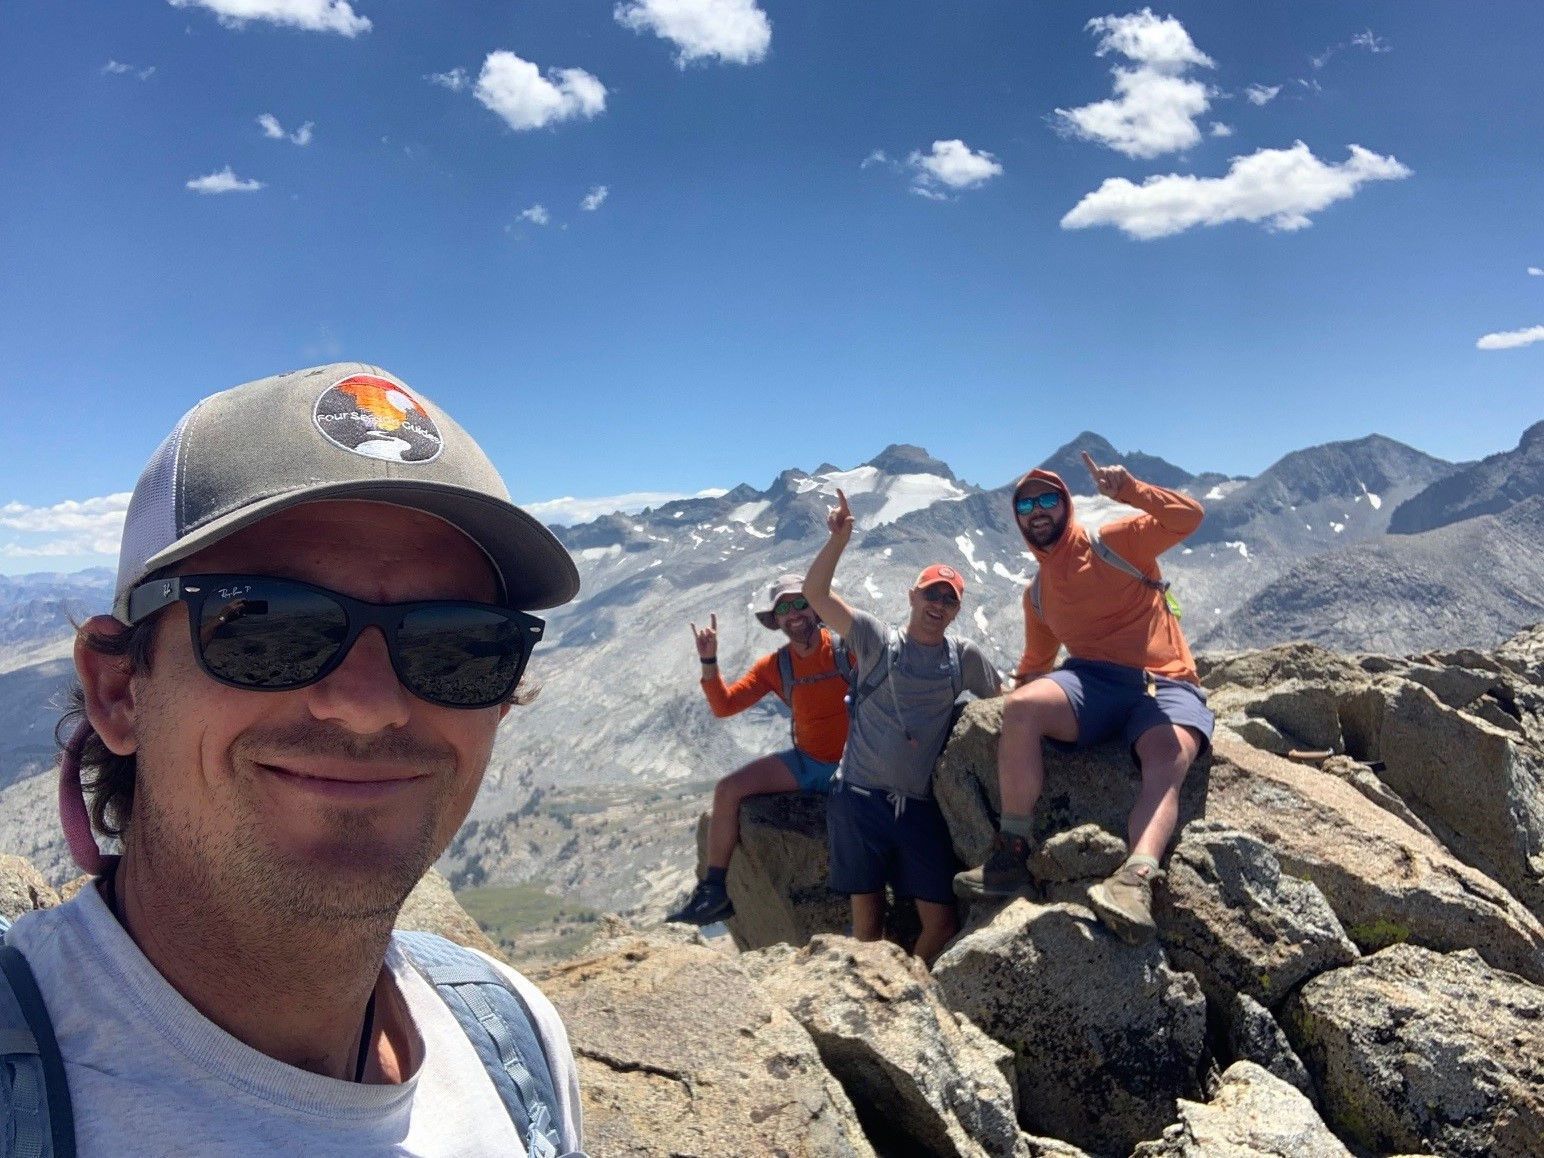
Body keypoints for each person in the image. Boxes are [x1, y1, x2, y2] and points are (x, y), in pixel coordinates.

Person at [0, 364, 585, 1156]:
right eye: (266, 626)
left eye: (458, 643)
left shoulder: (516, 1044)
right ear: (118, 692)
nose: (369, 703)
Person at [954, 451, 1215, 946]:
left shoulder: (1113, 543)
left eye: (1048, 499)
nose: (1038, 511)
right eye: (1026, 505)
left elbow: (1189, 517)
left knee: (1167, 753)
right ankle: (1011, 851)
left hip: (1163, 679)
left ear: (1066, 506)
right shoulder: (1038, 594)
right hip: (1093, 683)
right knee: (1024, 709)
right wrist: (1014, 694)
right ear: (1018, 520)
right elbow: (1036, 661)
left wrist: (1131, 489)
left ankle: (1136, 878)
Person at [803, 490, 1001, 966]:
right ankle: (879, 1015)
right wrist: (838, 540)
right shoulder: (875, 639)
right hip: (858, 800)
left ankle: (913, 993)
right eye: (931, 593)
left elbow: (1005, 702)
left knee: (942, 923)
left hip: (917, 808)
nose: (938, 605)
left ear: (956, 610)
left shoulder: (963, 658)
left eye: (948, 600)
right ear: (913, 596)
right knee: (867, 924)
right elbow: (815, 595)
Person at [668, 575, 853, 925]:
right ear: (776, 620)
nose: (793, 613)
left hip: (855, 765)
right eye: (784, 607)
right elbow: (724, 706)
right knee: (728, 790)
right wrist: (710, 662)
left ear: (816, 609)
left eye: (800, 603)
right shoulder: (775, 666)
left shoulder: (846, 649)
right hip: (807, 762)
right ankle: (713, 892)